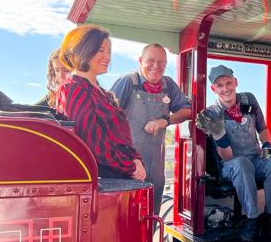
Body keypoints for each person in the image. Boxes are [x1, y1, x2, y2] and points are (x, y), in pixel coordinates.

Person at [56, 25, 146, 181]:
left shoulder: (104, 94)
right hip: (100, 179)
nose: (107, 57)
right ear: (83, 50)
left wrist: (136, 159)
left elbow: (123, 137)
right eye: (101, 50)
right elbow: (92, 142)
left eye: (109, 51)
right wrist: (130, 166)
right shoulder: (73, 88)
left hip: (119, 175)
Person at [195, 65, 271, 241]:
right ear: (213, 89)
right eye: (220, 85)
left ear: (236, 82)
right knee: (241, 163)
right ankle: (252, 219)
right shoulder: (212, 113)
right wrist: (217, 132)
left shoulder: (250, 100)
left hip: (255, 158)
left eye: (228, 83)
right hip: (231, 164)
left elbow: (262, 129)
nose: (225, 89)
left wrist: (268, 146)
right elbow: (227, 156)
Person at [111, 44, 191, 215]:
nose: (156, 66)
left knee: (151, 218)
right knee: (126, 218)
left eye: (161, 62)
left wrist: (164, 121)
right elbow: (107, 120)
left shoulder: (168, 85)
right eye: (151, 61)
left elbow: (188, 111)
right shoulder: (128, 82)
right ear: (141, 61)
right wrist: (126, 160)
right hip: (128, 168)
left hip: (155, 168)